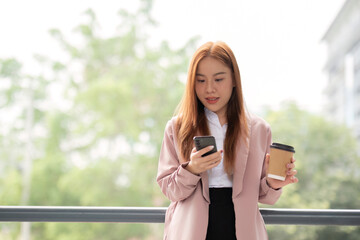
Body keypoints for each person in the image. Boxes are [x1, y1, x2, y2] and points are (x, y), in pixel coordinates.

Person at [156, 41, 298, 240]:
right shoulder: (177, 128)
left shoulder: (259, 129)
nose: (210, 89)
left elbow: (266, 197)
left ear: (234, 80)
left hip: (243, 231)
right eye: (201, 80)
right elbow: (169, 190)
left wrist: (273, 184)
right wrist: (192, 169)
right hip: (191, 231)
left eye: (219, 79)